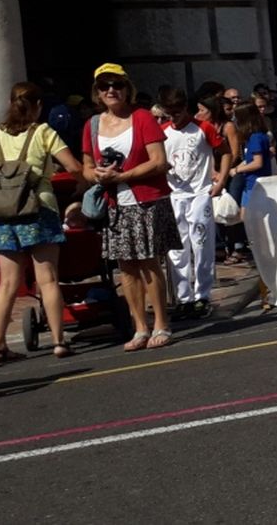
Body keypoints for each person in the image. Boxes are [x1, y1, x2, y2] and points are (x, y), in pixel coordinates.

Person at [0, 83, 85, 362]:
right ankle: (59, 341)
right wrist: (83, 184)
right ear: (38, 105)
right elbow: (73, 166)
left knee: (7, 283)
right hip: (39, 209)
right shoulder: (42, 132)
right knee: (47, 279)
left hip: (5, 216)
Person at [82, 63, 179, 351]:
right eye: (104, 86)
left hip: (146, 199)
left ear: (127, 89)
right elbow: (86, 168)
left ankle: (161, 322)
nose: (111, 90)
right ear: (97, 93)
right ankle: (139, 327)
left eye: (117, 85)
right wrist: (97, 176)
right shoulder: (93, 125)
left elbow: (159, 161)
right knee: (125, 267)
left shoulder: (142, 118)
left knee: (149, 262)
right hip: (115, 203)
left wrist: (123, 176)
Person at [157, 87, 223, 318]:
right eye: (169, 113)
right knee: (177, 248)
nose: (173, 117)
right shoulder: (162, 131)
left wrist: (221, 180)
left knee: (201, 243)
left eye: (177, 112)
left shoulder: (202, 128)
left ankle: (202, 296)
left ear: (186, 108)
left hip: (200, 193)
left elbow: (224, 151)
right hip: (174, 195)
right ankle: (183, 298)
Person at [225, 103, 270, 264]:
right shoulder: (253, 138)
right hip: (249, 184)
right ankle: (259, 252)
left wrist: (237, 170)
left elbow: (257, 162)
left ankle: (263, 254)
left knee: (254, 221)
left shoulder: (256, 137)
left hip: (255, 185)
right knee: (244, 218)